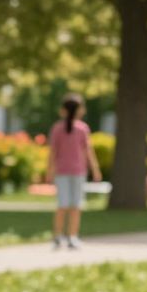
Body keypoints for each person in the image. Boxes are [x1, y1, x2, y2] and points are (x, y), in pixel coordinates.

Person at [47, 93, 103, 250]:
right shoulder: (64, 129)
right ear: (77, 110)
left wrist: (95, 169)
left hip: (72, 172)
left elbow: (86, 151)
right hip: (68, 172)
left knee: (70, 205)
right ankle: (62, 236)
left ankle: (68, 236)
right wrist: (96, 170)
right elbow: (54, 152)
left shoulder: (78, 128)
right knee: (69, 205)